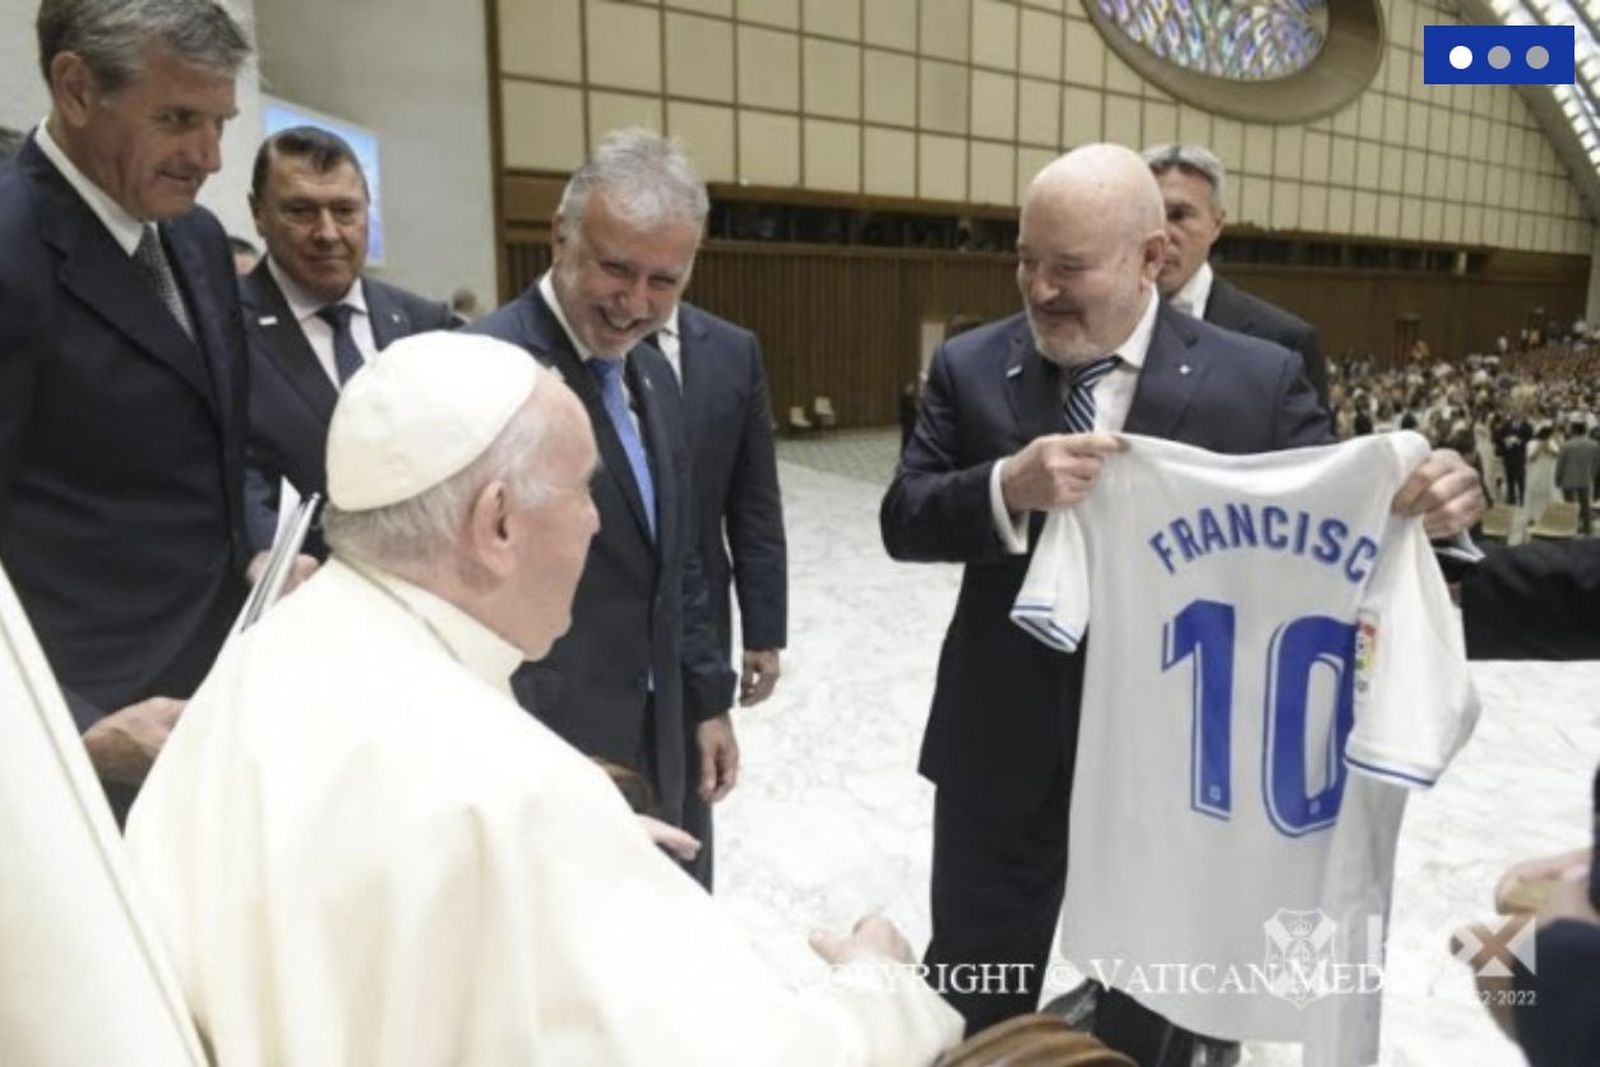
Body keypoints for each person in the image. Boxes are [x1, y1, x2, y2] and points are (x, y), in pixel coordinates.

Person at [125, 331, 963, 1065]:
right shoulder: (514, 796)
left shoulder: (280, 638)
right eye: (583, 490)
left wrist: (552, 849)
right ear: (497, 524)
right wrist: (878, 988)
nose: (597, 524)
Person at [880, 143, 1484, 1060]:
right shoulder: (971, 366)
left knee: (1156, 1007)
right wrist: (1005, 484)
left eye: (1069, 267)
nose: (1039, 289)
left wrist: (1433, 501)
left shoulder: (1257, 378)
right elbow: (904, 516)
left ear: (1150, 259)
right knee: (975, 984)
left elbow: (1340, 526)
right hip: (1001, 752)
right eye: (1025, 259)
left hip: (1179, 774)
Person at [0, 0, 253, 818]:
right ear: (76, 89)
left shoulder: (198, 239)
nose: (210, 156)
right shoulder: (9, 246)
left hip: (211, 700)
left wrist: (261, 552)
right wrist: (73, 733)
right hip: (78, 743)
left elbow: (216, 445)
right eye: (178, 119)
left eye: (219, 121)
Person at [471, 129, 737, 841]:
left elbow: (678, 556)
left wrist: (707, 699)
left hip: (667, 728)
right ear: (561, 237)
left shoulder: (652, 372)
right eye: (617, 269)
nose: (636, 303)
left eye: (665, 281)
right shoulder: (486, 370)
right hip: (550, 743)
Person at [242, 126, 452, 558]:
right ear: (258, 214)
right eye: (301, 211)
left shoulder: (422, 323)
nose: (327, 233)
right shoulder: (221, 330)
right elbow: (227, 478)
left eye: (345, 211)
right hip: (297, 593)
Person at [655, 297, 787, 887]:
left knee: (689, 805)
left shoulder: (732, 350)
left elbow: (753, 501)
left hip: (698, 625)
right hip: (584, 636)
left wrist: (764, 630)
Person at [1142, 142, 1330, 417]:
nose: (1162, 235)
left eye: (1179, 215)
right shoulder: (1097, 320)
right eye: (1149, 215)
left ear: (1217, 225)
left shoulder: (1283, 341)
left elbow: (1310, 459)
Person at [1555, 420, 1599, 534]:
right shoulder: (1593, 444)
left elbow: (1561, 464)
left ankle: (1570, 527)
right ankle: (1587, 528)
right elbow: (1597, 462)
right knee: (1585, 505)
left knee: (1569, 505)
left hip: (1568, 479)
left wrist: (1558, 479)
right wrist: (1592, 475)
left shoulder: (1567, 445)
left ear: (1573, 431)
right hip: (1585, 478)